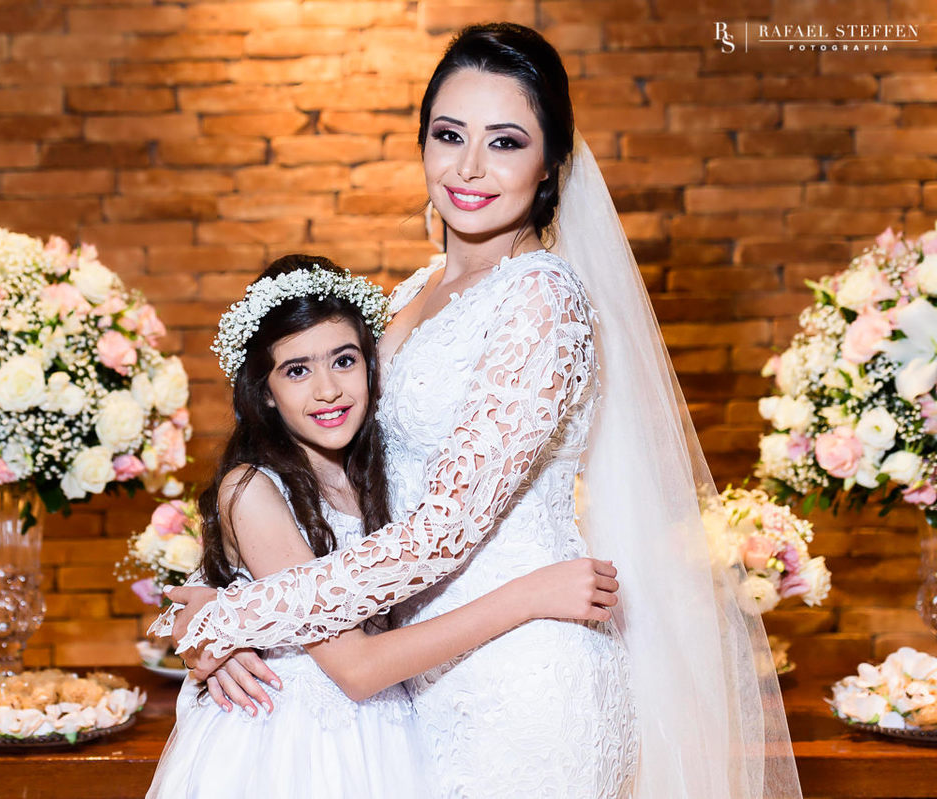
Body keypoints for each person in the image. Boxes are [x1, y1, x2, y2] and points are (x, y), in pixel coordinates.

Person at [156, 23, 802, 799]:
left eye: (504, 142)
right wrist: (223, 602)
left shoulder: (542, 297)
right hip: (409, 680)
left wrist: (233, 618)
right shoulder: (413, 291)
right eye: (449, 135)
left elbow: (442, 529)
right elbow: (322, 476)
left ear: (550, 163)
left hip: (521, 674)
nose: (468, 167)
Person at [148, 254, 621, 798]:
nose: (328, 389)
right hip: (298, 747)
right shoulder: (253, 489)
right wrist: (527, 597)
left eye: (344, 360)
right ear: (265, 393)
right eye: (297, 370)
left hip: (392, 732)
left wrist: (225, 620)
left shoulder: (380, 473)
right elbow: (356, 668)